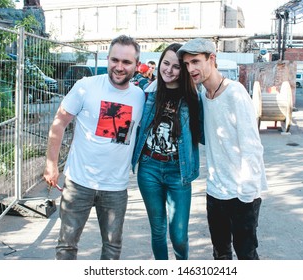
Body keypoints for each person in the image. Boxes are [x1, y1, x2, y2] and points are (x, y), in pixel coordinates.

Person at [43, 35, 145, 260]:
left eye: (126, 62)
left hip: (115, 187)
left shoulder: (140, 96)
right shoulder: (85, 86)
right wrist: (51, 165)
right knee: (66, 246)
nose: (119, 67)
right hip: (79, 183)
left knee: (112, 247)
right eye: (115, 60)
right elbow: (59, 123)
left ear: (137, 66)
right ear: (108, 59)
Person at [177, 38, 268, 260]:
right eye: (187, 64)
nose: (191, 69)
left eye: (196, 62)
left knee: (246, 255)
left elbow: (252, 146)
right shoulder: (203, 98)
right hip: (216, 191)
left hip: (241, 193)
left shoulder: (235, 93)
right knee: (221, 254)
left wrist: (246, 194)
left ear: (212, 59)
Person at [131, 43, 202, 260]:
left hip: (178, 170)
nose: (169, 70)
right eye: (166, 63)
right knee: (159, 230)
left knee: (179, 235)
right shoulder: (147, 94)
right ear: (160, 63)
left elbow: (205, 133)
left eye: (176, 66)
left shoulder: (193, 98)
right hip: (149, 168)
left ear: (184, 70)